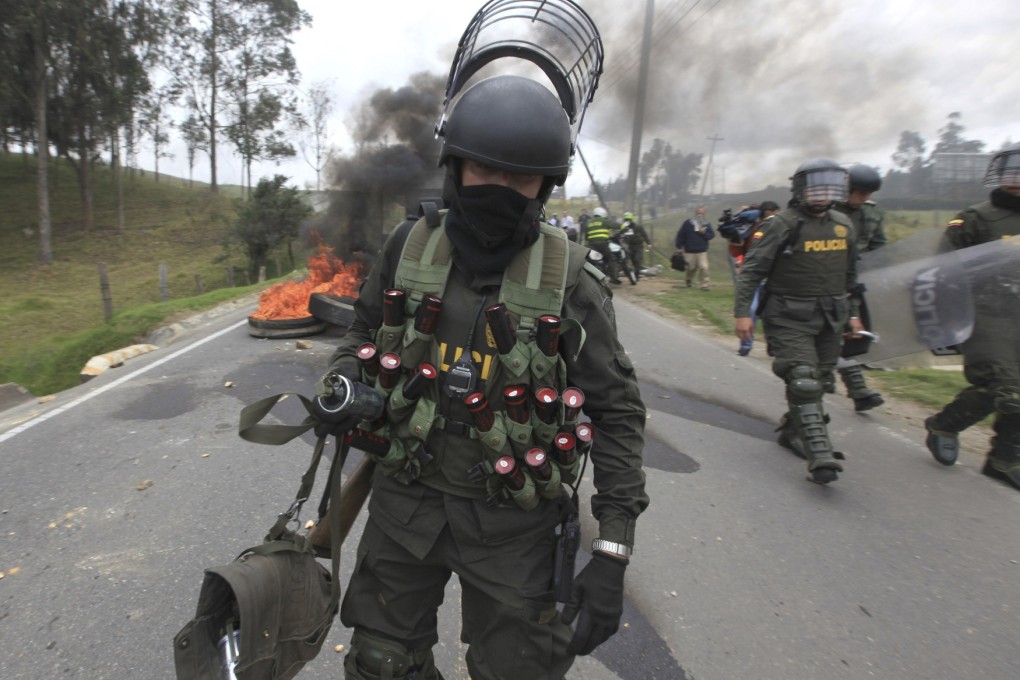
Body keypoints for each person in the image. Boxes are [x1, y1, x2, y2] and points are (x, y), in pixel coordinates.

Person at [310, 12, 649, 677]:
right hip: (405, 504)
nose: (499, 190)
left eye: (520, 179)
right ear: (455, 166)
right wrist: (345, 381)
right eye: (482, 171)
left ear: (546, 185)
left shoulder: (570, 280)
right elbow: (360, 330)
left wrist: (612, 550)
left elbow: (619, 412)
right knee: (379, 663)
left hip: (515, 529)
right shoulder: (409, 248)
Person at [733, 158, 868, 485]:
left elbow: (851, 277)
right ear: (801, 189)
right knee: (803, 379)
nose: (822, 196)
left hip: (830, 317)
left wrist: (852, 315)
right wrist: (742, 314)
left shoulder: (843, 225)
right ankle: (819, 454)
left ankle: (793, 430)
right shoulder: (781, 224)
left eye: (830, 188)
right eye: (815, 188)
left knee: (821, 381)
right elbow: (751, 270)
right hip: (788, 316)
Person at [924, 142, 1020, 491]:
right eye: (1013, 171)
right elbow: (944, 267)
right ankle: (945, 424)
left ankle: (1003, 459)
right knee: (1007, 390)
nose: (1017, 179)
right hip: (986, 314)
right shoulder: (976, 217)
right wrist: (946, 317)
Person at [832, 164, 887, 412]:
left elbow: (879, 247)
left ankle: (858, 390)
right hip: (827, 279)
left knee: (852, 333)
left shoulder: (872, 213)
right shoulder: (825, 210)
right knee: (833, 332)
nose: (866, 198)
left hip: (857, 282)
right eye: (861, 193)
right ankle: (855, 389)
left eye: (869, 194)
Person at [729, 201, 780, 356]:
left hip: (774, 278)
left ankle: (773, 346)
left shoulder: (783, 228)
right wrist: (733, 239)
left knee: (772, 313)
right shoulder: (750, 229)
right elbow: (735, 251)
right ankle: (746, 344)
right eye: (776, 212)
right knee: (751, 310)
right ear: (769, 212)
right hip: (754, 277)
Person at [675, 206, 715, 290]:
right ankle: (688, 280)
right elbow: (681, 234)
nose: (699, 214)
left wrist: (704, 233)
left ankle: (704, 285)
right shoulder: (688, 223)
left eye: (701, 213)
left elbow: (711, 235)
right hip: (690, 250)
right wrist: (679, 246)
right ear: (695, 213)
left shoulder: (706, 223)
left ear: (704, 214)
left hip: (702, 250)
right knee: (691, 268)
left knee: (704, 267)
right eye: (698, 212)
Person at [583, 206, 619, 283]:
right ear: (602, 214)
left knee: (589, 260)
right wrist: (623, 226)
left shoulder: (588, 222)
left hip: (591, 245)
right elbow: (615, 225)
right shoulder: (604, 221)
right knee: (611, 259)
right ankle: (613, 277)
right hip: (603, 244)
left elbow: (586, 237)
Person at [618, 211, 651, 278]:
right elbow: (619, 234)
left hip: (639, 246)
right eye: (626, 220)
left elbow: (644, 235)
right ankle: (635, 274)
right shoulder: (625, 228)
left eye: (629, 220)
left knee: (637, 259)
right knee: (632, 260)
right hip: (630, 246)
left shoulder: (638, 227)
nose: (628, 222)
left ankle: (637, 275)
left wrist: (648, 243)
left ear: (632, 220)